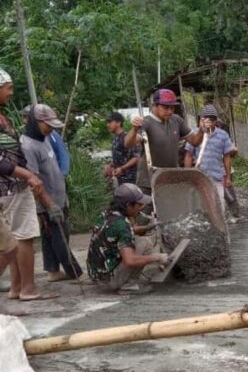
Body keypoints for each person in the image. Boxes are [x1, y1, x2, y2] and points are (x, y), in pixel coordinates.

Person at [0, 70, 53, 300]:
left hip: (12, 186)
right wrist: (27, 175)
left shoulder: (2, 117)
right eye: (8, 87)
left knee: (14, 239)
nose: (11, 92)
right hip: (10, 187)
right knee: (22, 238)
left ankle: (16, 288)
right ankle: (28, 288)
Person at [21, 104, 83, 282]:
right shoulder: (27, 146)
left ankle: (53, 271)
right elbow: (33, 180)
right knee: (60, 237)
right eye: (48, 124)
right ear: (35, 122)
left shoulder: (45, 137)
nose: (51, 129)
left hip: (59, 196)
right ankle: (75, 273)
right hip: (47, 202)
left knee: (50, 237)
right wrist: (48, 205)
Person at [86, 183, 170, 291]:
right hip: (109, 282)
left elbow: (129, 230)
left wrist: (148, 226)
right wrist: (157, 257)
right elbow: (130, 261)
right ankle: (129, 285)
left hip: (97, 276)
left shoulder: (107, 214)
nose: (142, 207)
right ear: (128, 205)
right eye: (139, 205)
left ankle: (120, 279)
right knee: (145, 243)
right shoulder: (122, 225)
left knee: (139, 241)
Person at [124, 88, 205, 192]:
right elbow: (128, 144)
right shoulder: (146, 123)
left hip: (170, 178)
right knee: (151, 208)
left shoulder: (176, 120)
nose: (170, 111)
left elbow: (195, 141)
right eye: (166, 107)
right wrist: (134, 130)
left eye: (172, 108)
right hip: (149, 181)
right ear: (155, 106)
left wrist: (202, 130)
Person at [183, 104, 237, 211]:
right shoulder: (195, 134)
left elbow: (227, 157)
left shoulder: (222, 135)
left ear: (216, 120)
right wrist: (188, 174)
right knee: (200, 206)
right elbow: (188, 155)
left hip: (216, 176)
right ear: (201, 119)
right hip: (198, 177)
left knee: (219, 206)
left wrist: (228, 178)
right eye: (206, 118)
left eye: (212, 119)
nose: (209, 121)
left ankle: (220, 224)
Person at [104, 111, 140, 185]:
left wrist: (122, 168)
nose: (107, 125)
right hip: (121, 179)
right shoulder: (115, 138)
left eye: (110, 122)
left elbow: (136, 158)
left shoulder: (128, 138)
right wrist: (110, 165)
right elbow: (121, 157)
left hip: (131, 179)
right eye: (107, 122)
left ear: (118, 123)